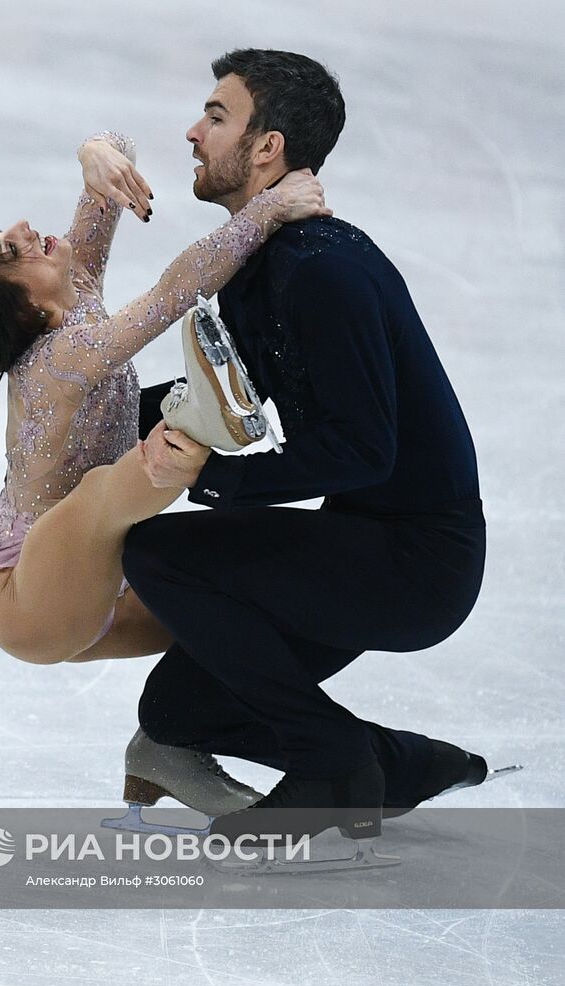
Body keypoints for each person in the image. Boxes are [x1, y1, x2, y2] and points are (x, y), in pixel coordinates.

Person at [120, 49, 502, 845]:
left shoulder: (324, 270)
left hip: (416, 564)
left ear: (269, 147)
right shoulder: (262, 265)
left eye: (217, 116)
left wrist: (216, 480)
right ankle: (401, 763)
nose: (193, 133)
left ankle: (329, 761)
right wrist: (94, 413)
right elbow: (224, 393)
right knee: (178, 711)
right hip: (358, 548)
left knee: (162, 554)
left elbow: (365, 452)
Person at [0, 131, 330, 674]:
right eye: (10, 251)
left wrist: (97, 153)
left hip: (104, 577)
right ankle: (197, 420)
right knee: (106, 489)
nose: (23, 228)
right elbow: (175, 290)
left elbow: (109, 177)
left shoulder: (68, 285)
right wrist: (268, 210)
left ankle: (168, 748)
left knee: (253, 612)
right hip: (36, 603)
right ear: (23, 305)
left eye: (0, 231)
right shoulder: (61, 356)